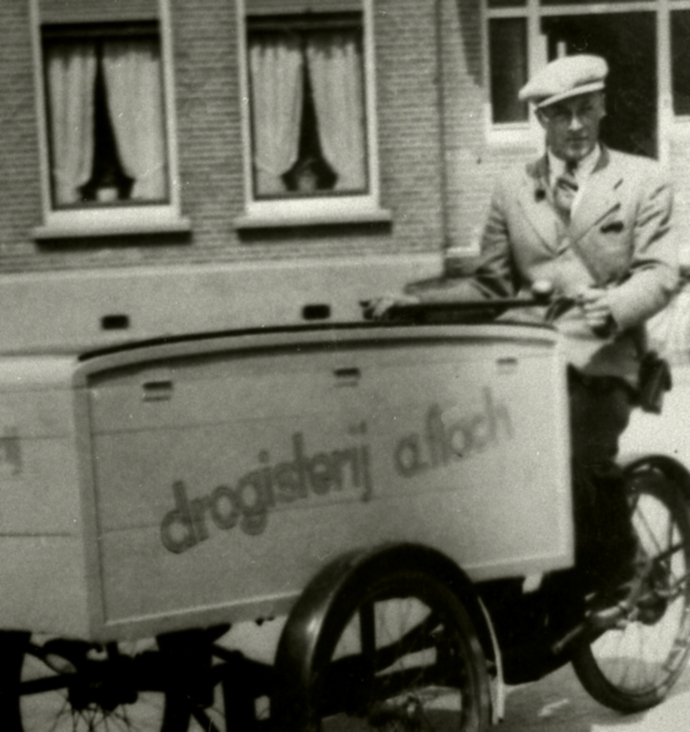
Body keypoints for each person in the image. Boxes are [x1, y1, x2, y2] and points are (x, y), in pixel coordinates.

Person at [371, 54, 679, 623]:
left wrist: (614, 306)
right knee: (471, 463)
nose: (576, 126)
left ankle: (620, 566)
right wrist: (418, 305)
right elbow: (489, 286)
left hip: (603, 357)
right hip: (524, 361)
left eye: (586, 109)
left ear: (603, 107)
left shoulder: (643, 180)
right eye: (561, 115)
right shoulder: (513, 188)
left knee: (575, 454)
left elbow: (660, 273)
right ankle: (502, 595)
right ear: (542, 120)